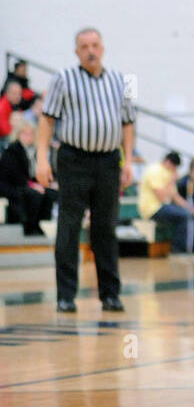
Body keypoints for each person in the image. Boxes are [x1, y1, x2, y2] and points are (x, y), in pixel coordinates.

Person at [37, 28, 135, 313]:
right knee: (69, 226)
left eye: (94, 45)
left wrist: (127, 160)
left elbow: (128, 123)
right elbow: (46, 121)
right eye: (84, 46)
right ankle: (66, 295)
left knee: (106, 227)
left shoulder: (120, 81)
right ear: (76, 52)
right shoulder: (63, 79)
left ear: (102, 47)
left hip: (107, 161)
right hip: (73, 159)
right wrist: (42, 158)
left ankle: (110, 294)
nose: (90, 50)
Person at [0, 117, 58, 235]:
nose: (28, 136)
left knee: (50, 193)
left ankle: (38, 223)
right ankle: (29, 225)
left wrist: (47, 183)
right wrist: (33, 185)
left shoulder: (34, 151)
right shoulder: (12, 150)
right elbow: (14, 175)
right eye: (24, 133)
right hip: (11, 186)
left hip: (27, 184)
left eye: (31, 133)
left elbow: (35, 173)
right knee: (34, 194)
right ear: (18, 134)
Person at [138, 152, 194, 254]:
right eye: (174, 167)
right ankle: (177, 250)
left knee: (188, 213)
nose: (174, 170)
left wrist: (188, 207)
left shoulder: (168, 173)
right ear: (168, 162)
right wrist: (171, 181)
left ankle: (189, 248)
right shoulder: (154, 170)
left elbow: (175, 196)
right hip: (151, 208)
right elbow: (161, 197)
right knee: (184, 215)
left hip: (163, 207)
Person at [0, 79, 23, 151]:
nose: (17, 97)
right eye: (14, 93)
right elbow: (4, 130)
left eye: (19, 94)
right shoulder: (2, 106)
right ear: (7, 93)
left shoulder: (15, 107)